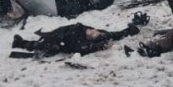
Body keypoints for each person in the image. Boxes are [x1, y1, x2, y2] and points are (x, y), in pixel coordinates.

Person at [11, 22, 140, 57]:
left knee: (42, 45)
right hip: (57, 35)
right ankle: (21, 43)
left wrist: (128, 31)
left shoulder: (80, 41)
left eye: (94, 33)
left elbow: (82, 49)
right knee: (42, 44)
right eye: (93, 31)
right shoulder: (83, 30)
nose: (93, 31)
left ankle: (21, 43)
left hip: (59, 39)